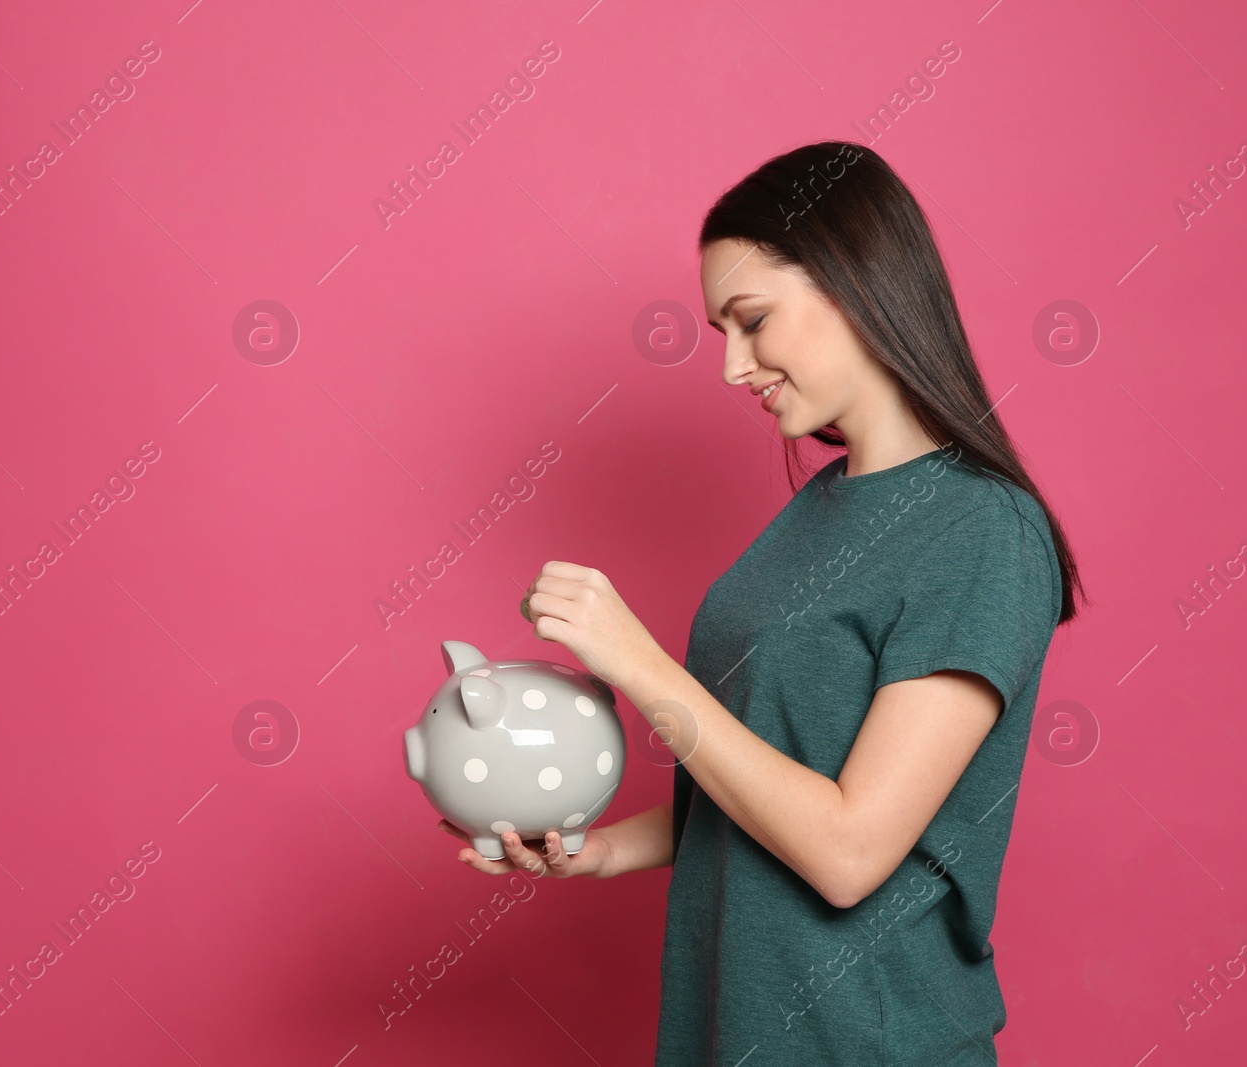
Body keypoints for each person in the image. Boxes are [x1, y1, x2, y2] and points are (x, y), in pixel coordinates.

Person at [439, 140, 1086, 1065]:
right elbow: (772, 769)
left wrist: (641, 663)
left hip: (868, 1042)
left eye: (753, 321)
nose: (732, 367)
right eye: (720, 333)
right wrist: (602, 850)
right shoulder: (813, 513)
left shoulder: (982, 531)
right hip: (727, 1031)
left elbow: (850, 849)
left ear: (854, 283)